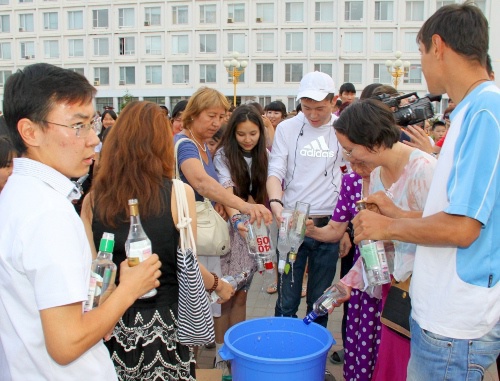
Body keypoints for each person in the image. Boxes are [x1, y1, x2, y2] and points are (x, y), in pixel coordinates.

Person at [352, 3, 500, 380]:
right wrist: (396, 215)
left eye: (419, 52)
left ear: (438, 46)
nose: (420, 64)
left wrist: (386, 229)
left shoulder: (485, 111)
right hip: (439, 316)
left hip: (455, 324)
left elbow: (463, 229)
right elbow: (454, 215)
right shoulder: (468, 111)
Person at [0, 63, 161, 380]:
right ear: (30, 132)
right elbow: (66, 343)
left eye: (92, 124)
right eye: (78, 126)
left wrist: (106, 301)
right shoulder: (48, 212)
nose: (93, 140)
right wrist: (130, 289)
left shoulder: (17, 196)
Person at [80, 101, 233, 380]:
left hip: (111, 321)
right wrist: (219, 285)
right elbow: (188, 263)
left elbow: (94, 273)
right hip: (167, 322)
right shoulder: (179, 193)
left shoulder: (92, 199)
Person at [333, 98, 436, 380]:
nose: (349, 159)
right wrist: (349, 282)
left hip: (425, 294)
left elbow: (445, 228)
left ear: (373, 141)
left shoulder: (425, 169)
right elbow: (377, 242)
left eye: (351, 149)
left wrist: (392, 220)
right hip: (395, 289)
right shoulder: (377, 173)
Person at [174, 87, 272, 366]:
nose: (217, 122)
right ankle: (189, 365)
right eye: (211, 115)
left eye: (221, 116)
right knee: (196, 305)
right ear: (192, 115)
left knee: (208, 301)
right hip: (191, 236)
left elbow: (211, 189)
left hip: (204, 234)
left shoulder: (204, 145)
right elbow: (202, 183)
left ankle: (212, 359)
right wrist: (242, 206)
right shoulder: (186, 144)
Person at [267, 71, 344, 329]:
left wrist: (343, 227)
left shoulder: (343, 130)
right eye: (306, 107)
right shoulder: (287, 129)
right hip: (292, 221)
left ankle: (313, 362)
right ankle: (284, 353)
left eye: (320, 108)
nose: (312, 115)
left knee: (320, 301)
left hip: (328, 222)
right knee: (286, 298)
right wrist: (276, 203)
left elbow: (350, 178)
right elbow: (275, 171)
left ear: (334, 103)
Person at [213, 105, 269, 368]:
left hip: (253, 229)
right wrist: (238, 218)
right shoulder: (223, 155)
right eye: (241, 134)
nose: (248, 139)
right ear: (232, 133)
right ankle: (221, 353)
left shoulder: (265, 155)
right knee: (226, 293)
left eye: (253, 134)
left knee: (243, 293)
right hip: (230, 229)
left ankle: (237, 349)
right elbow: (225, 190)